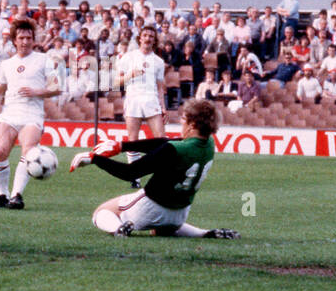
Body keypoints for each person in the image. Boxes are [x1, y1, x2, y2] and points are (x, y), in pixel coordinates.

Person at [69, 98, 238, 240]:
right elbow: (165, 143)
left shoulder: (175, 149)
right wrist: (122, 146)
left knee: (101, 212)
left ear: (192, 125)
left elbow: (130, 173)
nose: (181, 121)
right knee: (162, 230)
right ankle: (205, 233)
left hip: (149, 208)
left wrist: (95, 159)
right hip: (179, 213)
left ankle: (119, 229)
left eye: (184, 118)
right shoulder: (209, 143)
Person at [0, 18, 61, 210]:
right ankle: (2, 195)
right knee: (0, 152)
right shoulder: (7, 64)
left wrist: (37, 91)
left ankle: (17, 195)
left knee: (28, 150)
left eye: (28, 37)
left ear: (33, 39)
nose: (25, 41)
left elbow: (57, 88)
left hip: (32, 114)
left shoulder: (43, 60)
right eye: (21, 37)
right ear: (14, 40)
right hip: (10, 113)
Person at [115, 25, 167, 188]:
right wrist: (131, 74)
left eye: (151, 36)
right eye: (145, 35)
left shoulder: (158, 62)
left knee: (161, 141)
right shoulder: (128, 57)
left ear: (154, 40)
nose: (148, 38)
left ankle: (162, 174)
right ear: (140, 38)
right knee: (133, 140)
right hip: (133, 99)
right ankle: (135, 176)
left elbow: (160, 87)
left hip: (151, 100)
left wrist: (163, 106)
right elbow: (117, 82)